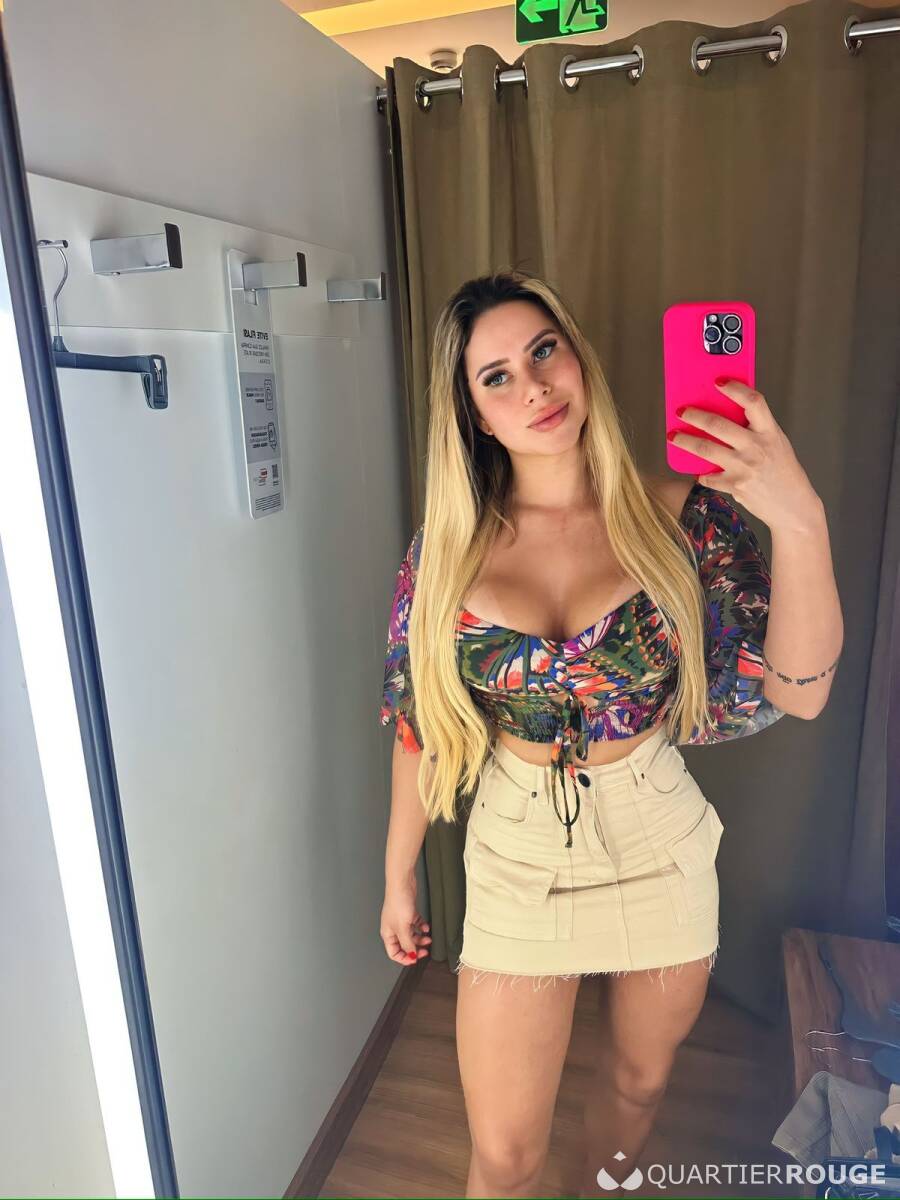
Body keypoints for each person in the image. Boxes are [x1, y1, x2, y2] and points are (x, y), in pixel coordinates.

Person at [378, 269, 840, 1199]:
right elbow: (419, 719)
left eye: (543, 351)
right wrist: (398, 876)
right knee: (504, 1156)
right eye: (497, 377)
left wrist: (800, 518)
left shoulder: (686, 516)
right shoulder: (446, 549)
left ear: (578, 356)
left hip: (656, 838)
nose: (533, 386)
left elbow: (802, 694)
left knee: (637, 1090)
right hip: (516, 851)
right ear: (474, 415)